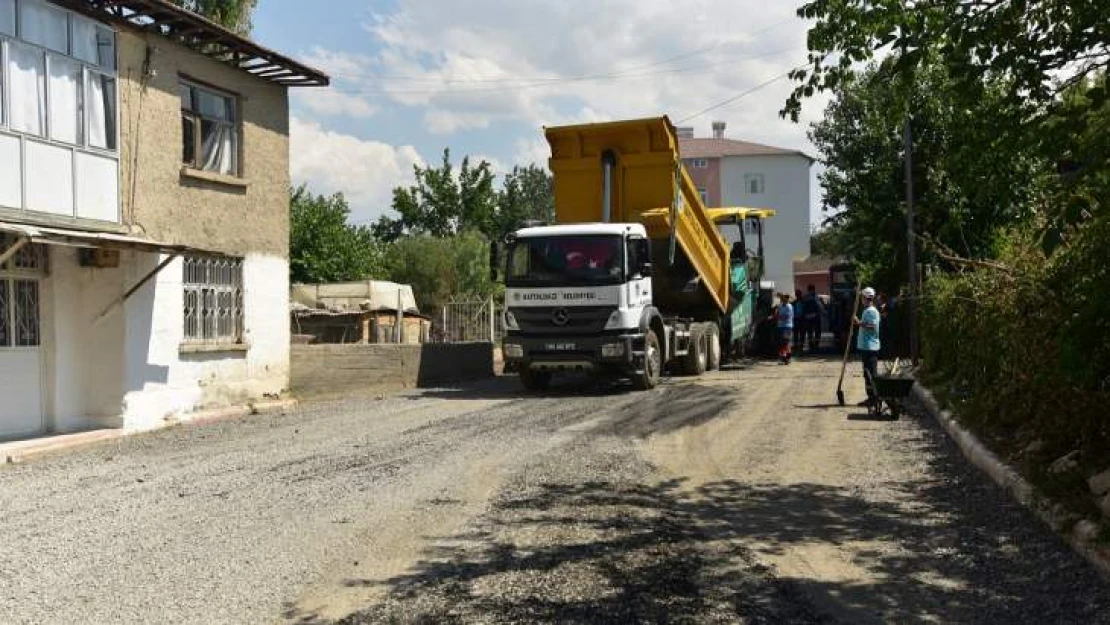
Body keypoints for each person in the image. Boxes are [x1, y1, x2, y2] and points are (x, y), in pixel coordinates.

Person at [853, 287, 881, 406]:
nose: (861, 299)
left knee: (871, 374)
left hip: (870, 347)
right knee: (867, 374)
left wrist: (858, 323)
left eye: (862, 297)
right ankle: (871, 397)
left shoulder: (870, 311)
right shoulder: (868, 310)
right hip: (867, 347)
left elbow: (872, 326)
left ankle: (874, 398)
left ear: (865, 298)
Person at [772, 292, 794, 364]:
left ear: (787, 299)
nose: (782, 299)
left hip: (787, 326)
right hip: (780, 326)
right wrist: (775, 313)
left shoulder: (789, 306)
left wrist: (777, 317)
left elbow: (786, 317)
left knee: (785, 342)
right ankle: (784, 357)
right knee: (781, 342)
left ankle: (786, 357)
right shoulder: (780, 306)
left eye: (784, 297)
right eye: (782, 298)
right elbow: (777, 314)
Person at [801, 284, 823, 353]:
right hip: (814, 316)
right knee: (815, 331)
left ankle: (813, 345)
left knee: (812, 332)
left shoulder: (805, 297)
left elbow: (803, 307)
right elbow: (820, 306)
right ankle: (815, 345)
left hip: (809, 317)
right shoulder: (815, 296)